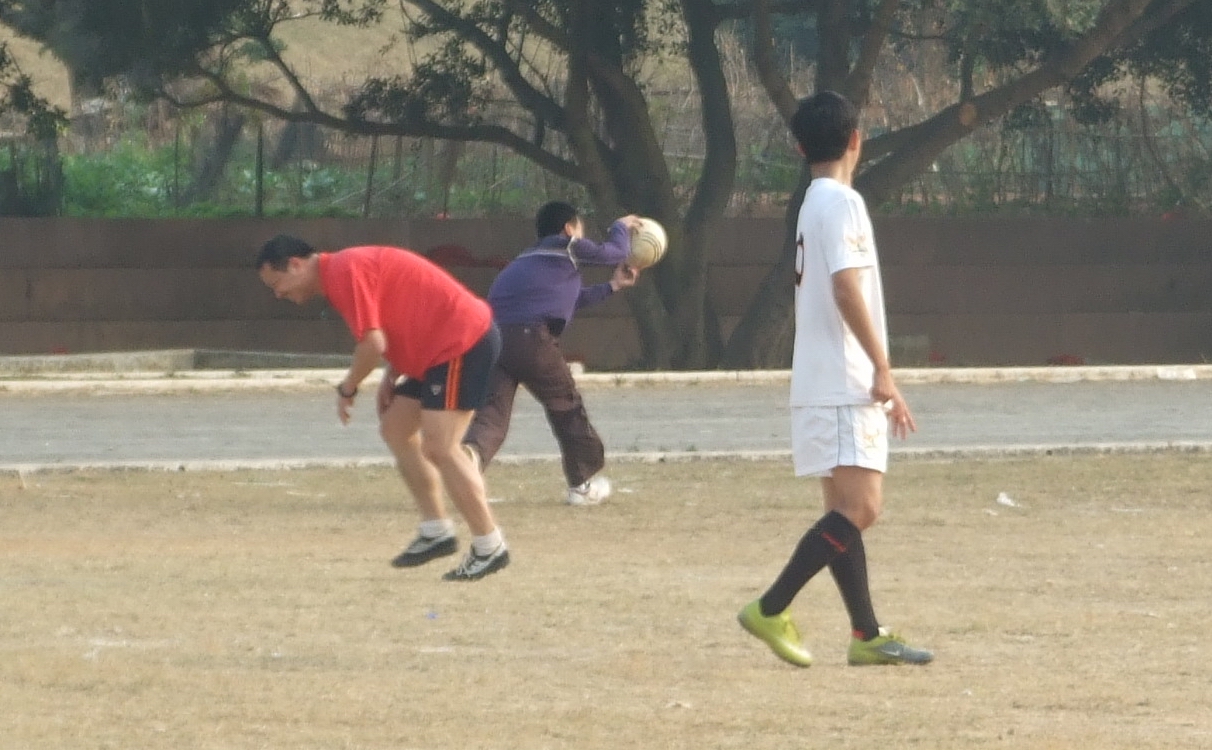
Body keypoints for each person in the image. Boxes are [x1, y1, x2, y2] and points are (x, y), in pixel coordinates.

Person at [737, 91, 933, 666]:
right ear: (856, 140)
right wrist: (883, 370)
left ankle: (866, 635)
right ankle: (770, 607)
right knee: (862, 509)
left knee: (843, 511)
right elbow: (847, 289)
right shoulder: (843, 203)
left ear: (800, 149)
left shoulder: (810, 203)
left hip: (819, 379)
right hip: (846, 380)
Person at [255, 234, 509, 581]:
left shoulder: (343, 271)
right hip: (433, 352)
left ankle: (489, 545)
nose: (278, 294)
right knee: (395, 428)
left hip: (460, 342)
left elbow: (372, 343)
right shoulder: (341, 272)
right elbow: (397, 313)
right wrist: (395, 369)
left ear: (296, 265)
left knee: (441, 446)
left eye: (277, 284)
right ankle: (436, 530)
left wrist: (348, 387)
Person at [462, 202, 641, 505]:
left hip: (493, 340)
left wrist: (612, 286)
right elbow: (613, 253)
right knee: (566, 407)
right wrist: (620, 227)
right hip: (532, 338)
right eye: (581, 229)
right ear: (568, 229)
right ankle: (582, 486)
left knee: (492, 413)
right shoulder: (567, 246)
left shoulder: (527, 258)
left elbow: (571, 300)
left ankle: (469, 460)